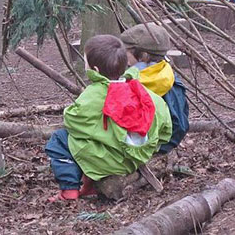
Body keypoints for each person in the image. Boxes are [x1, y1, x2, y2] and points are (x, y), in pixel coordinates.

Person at [45, 35, 172, 201]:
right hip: (137, 158)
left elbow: (72, 122)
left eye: (86, 62)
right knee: (99, 137)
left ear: (95, 70)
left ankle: (69, 189)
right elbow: (166, 127)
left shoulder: (96, 94)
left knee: (60, 140)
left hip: (111, 161)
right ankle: (90, 183)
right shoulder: (142, 91)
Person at [120, 24, 189, 153]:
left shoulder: (136, 82)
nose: (124, 57)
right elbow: (181, 124)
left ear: (144, 56)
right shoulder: (169, 76)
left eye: (127, 52)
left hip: (140, 149)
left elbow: (178, 125)